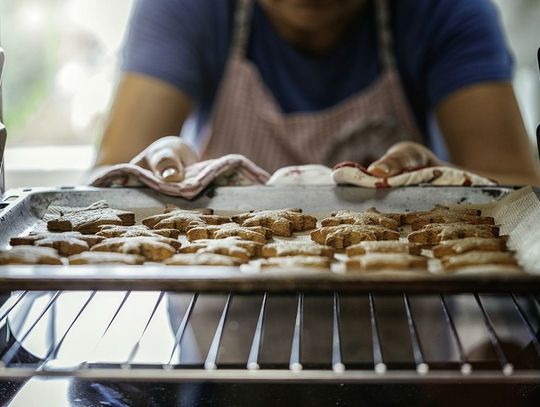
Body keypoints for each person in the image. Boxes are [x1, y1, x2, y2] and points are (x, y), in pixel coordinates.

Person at [95, 0, 540, 186]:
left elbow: (517, 197)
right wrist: (153, 176)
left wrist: (441, 193)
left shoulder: (446, 10)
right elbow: (109, 182)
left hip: (408, 339)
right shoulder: (185, 8)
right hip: (216, 337)